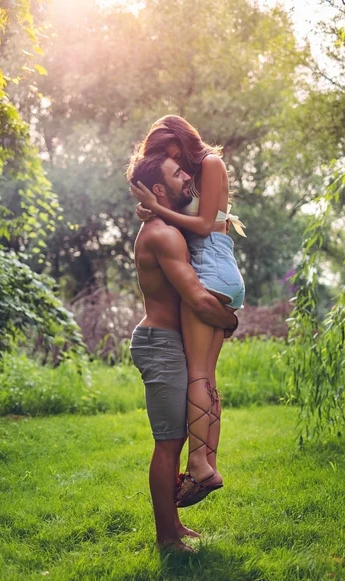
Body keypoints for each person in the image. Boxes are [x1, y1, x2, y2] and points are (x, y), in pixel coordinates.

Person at [126, 152, 239, 552]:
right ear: (159, 189)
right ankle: (166, 538)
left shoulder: (166, 225)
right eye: (177, 174)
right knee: (168, 442)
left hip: (168, 342)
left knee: (172, 439)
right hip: (160, 345)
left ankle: (173, 526)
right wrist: (230, 321)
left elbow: (207, 218)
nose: (187, 176)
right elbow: (196, 297)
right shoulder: (163, 234)